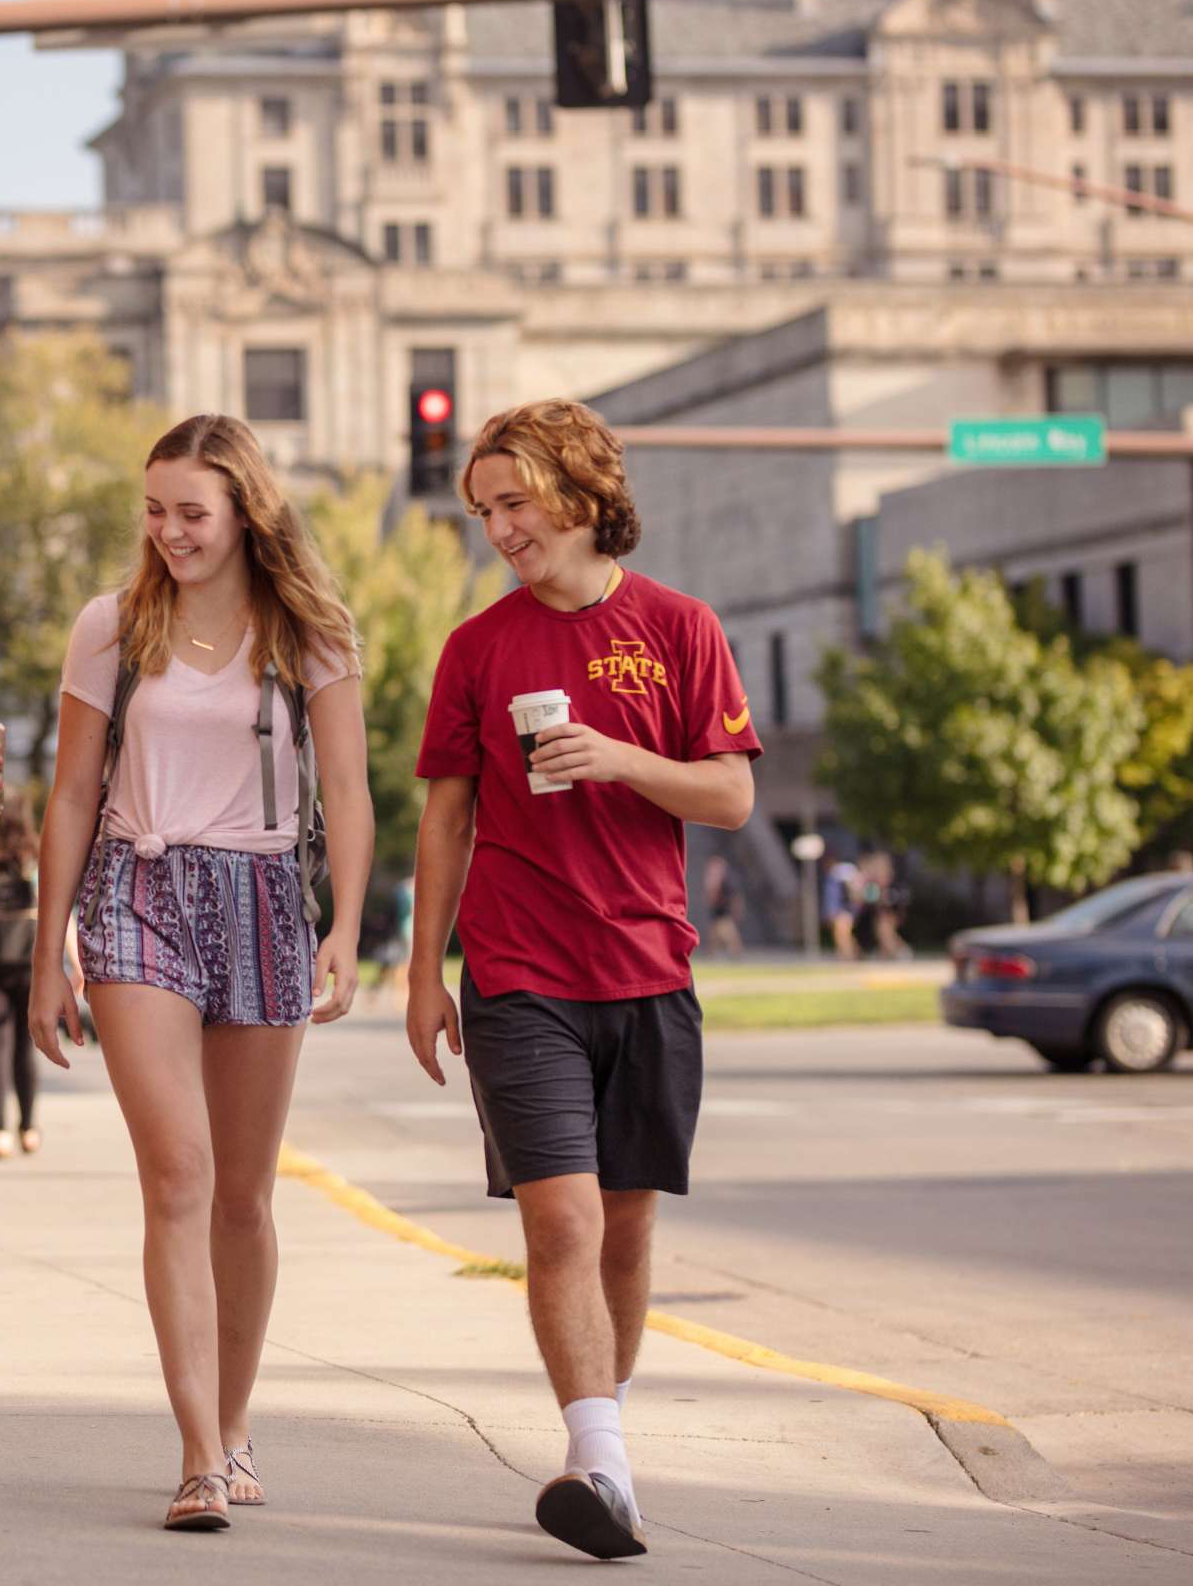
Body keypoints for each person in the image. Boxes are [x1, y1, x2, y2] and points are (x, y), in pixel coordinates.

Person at [405, 400, 760, 1561]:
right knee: (557, 1219)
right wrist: (422, 973)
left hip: (650, 971)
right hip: (520, 975)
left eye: (514, 502)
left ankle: (607, 1454)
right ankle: (596, 1460)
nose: (499, 527)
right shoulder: (478, 646)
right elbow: (447, 816)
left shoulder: (681, 627)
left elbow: (730, 796)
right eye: (485, 510)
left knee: (624, 1226)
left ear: (578, 492)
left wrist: (618, 760)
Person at [31, 412, 372, 1532]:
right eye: (155, 511)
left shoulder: (306, 628)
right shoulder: (113, 626)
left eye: (192, 513)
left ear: (244, 515)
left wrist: (346, 927)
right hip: (138, 890)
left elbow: (351, 794)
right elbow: (73, 793)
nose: (169, 532)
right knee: (176, 1173)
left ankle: (232, 1422)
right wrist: (49, 952)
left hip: (268, 894)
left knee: (242, 1193)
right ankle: (195, 1456)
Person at [0, 798, 43, 1159]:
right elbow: (53, 909)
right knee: (25, 1045)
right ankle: (28, 1128)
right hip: (30, 962)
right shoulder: (33, 859)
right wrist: (74, 963)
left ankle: (0, 1131)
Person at [702, 854, 745, 960]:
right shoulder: (716, 877)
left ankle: (735, 952)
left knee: (727, 931)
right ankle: (712, 952)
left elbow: (734, 896)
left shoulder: (726, 879)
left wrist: (737, 909)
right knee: (715, 932)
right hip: (717, 908)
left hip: (723, 909)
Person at [824, 856, 860, 960]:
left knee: (842, 934)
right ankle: (852, 954)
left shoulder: (843, 871)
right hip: (842, 909)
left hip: (845, 909)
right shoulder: (834, 874)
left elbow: (852, 892)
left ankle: (848, 957)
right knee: (843, 934)